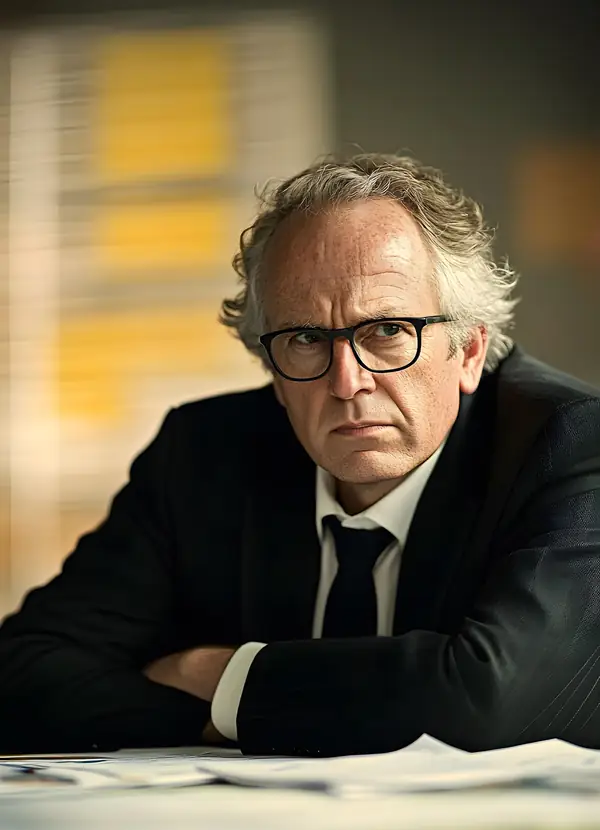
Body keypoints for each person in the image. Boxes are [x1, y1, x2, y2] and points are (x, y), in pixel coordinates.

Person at [0, 153, 599, 757]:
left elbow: (485, 695)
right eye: (307, 339)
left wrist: (227, 679)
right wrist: (214, 723)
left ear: (468, 351)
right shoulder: (203, 454)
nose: (347, 382)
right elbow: (23, 672)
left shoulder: (569, 445)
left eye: (388, 330)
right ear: (273, 374)